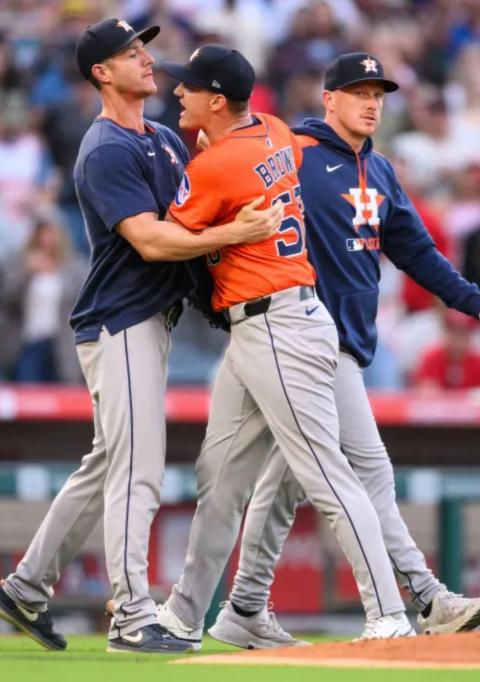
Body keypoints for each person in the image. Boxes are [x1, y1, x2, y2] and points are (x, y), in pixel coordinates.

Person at [0, 19, 282, 655]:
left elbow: (190, 235)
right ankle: (130, 613)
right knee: (139, 468)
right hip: (120, 321)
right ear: (100, 73)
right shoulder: (105, 147)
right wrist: (235, 236)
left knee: (108, 462)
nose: (146, 60)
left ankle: (25, 587)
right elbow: (150, 239)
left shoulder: (167, 139)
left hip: (151, 318)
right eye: (129, 53)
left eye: (143, 48)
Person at [204, 53, 480, 649]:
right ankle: (425, 595)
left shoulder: (379, 170)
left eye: (378, 92)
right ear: (329, 98)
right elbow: (233, 205)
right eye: (357, 91)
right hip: (301, 336)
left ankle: (244, 606)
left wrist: (473, 300)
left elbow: (418, 253)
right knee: (367, 469)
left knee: (282, 485)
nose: (371, 101)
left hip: (345, 344)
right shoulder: (295, 153)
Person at [153, 45, 414, 647]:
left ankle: (388, 616)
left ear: (217, 101)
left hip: (280, 326)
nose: (178, 94)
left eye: (188, 88)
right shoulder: (271, 129)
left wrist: (218, 204)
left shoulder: (217, 167)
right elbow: (271, 156)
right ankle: (185, 618)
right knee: (219, 475)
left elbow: (160, 240)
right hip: (268, 322)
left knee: (325, 472)